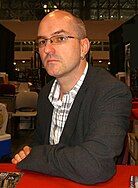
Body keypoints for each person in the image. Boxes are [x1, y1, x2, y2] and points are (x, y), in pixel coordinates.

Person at [12, 10, 132, 185]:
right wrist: (29, 151)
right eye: (42, 41)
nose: (47, 49)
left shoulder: (111, 92)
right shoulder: (46, 93)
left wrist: (35, 156)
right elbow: (39, 141)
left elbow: (94, 165)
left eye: (59, 38)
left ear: (83, 47)